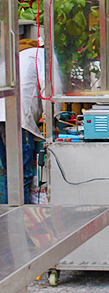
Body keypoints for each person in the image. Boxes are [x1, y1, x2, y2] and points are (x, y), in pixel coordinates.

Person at [0, 41, 60, 204]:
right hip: (17, 120)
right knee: (22, 176)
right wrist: (53, 120)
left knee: (10, 174)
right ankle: (18, 226)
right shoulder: (41, 55)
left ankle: (6, 224)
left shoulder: (12, 56)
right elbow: (49, 90)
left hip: (4, 118)